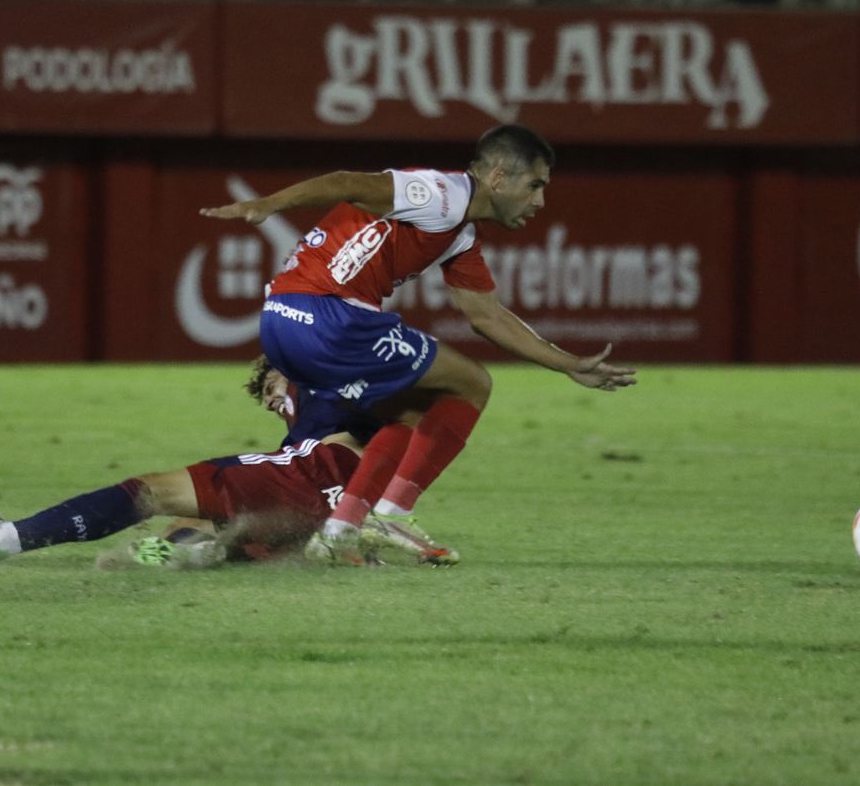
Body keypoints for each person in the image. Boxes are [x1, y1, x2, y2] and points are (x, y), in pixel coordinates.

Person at [199, 124, 637, 565]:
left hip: (282, 319)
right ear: (499, 179)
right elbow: (348, 183)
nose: (540, 201)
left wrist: (568, 364)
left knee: (401, 411)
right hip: (329, 314)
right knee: (471, 382)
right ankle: (387, 513)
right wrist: (268, 205)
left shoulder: (460, 235)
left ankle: (335, 526)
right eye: (535, 185)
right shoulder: (439, 194)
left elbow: (486, 316)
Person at [0, 358, 455, 568]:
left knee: (153, 490)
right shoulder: (315, 425)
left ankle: (2, 539)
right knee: (202, 516)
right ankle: (186, 553)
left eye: (274, 387)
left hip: (316, 473)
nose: (274, 402)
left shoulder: (334, 388)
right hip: (326, 503)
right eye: (267, 401)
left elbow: (398, 411)